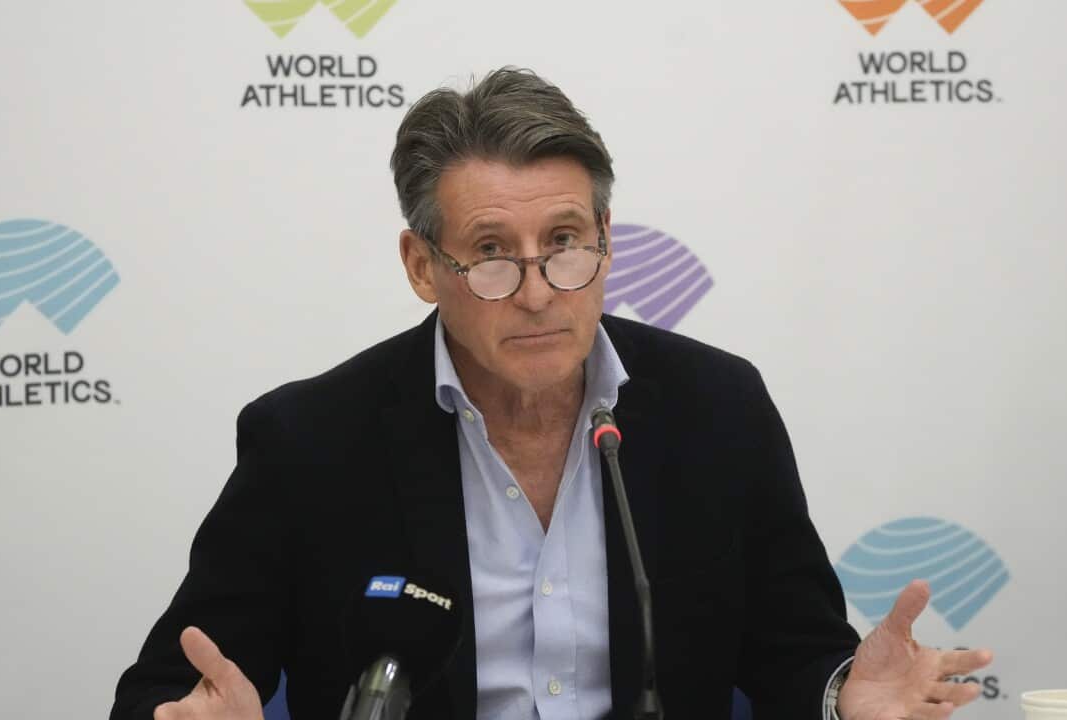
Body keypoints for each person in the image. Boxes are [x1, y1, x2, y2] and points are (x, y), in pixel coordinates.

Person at [111, 67, 992, 720]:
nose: (537, 293)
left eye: (565, 242)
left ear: (606, 240)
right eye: (492, 253)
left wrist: (842, 698)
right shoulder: (310, 441)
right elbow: (170, 685)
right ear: (422, 265)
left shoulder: (718, 410)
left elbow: (793, 650)